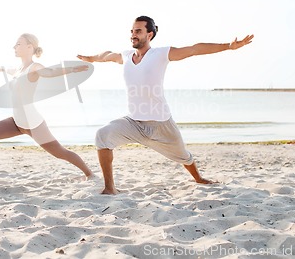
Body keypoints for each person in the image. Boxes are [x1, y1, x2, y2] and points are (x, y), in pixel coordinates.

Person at [77, 16, 253, 194]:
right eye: (132, 31)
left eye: (138, 31)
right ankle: (110, 188)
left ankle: (198, 179)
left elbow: (194, 49)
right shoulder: (126, 56)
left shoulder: (160, 54)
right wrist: (91, 58)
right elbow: (106, 55)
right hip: (133, 123)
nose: (133, 35)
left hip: (161, 124)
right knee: (102, 136)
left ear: (150, 34)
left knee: (184, 156)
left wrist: (228, 46)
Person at [0, 33, 94, 188]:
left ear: (29, 47)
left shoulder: (34, 67)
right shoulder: (19, 69)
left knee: (60, 152)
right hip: (17, 121)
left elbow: (50, 73)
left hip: (33, 123)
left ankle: (89, 173)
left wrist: (71, 70)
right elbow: (14, 72)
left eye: (18, 44)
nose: (14, 47)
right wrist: (4, 69)